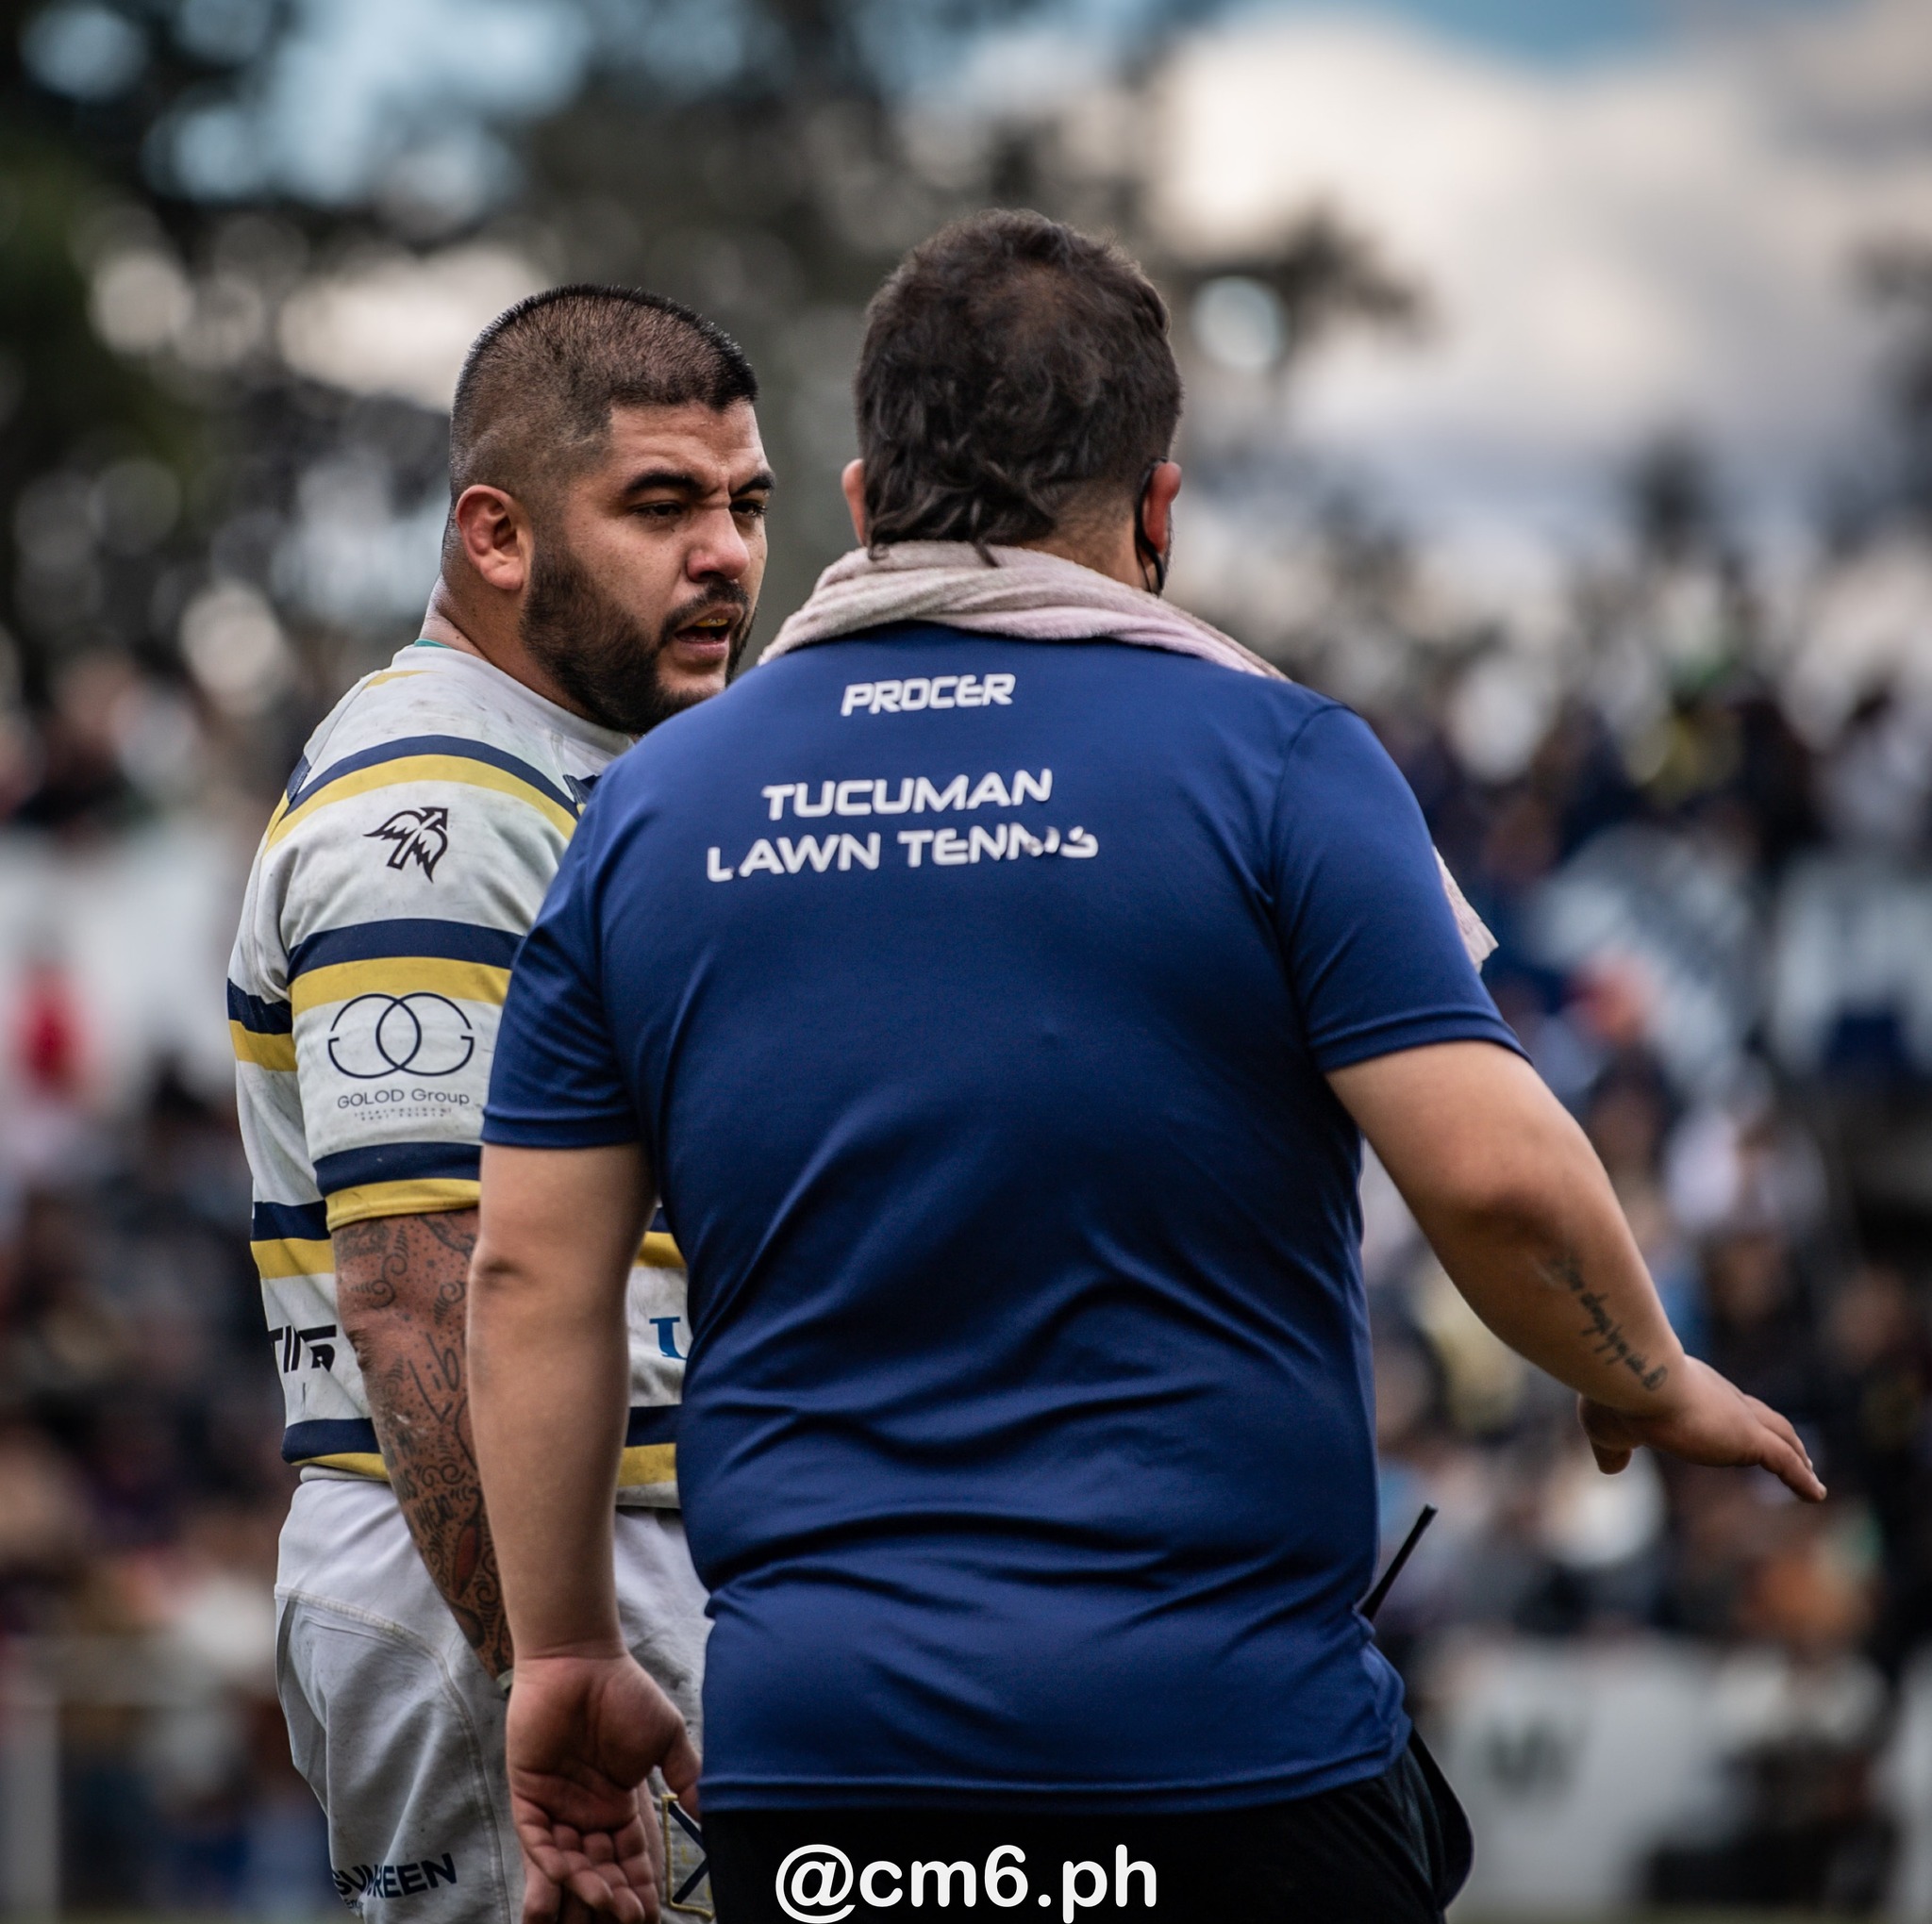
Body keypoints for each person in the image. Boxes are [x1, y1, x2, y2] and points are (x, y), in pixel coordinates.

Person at [467, 213, 1824, 1924]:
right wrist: (1644, 1376)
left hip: (828, 1770)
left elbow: (525, 1277)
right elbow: (1488, 1175)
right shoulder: (1282, 760)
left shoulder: (648, 817)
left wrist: (571, 1652)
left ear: (865, 501)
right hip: (1229, 1765)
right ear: (1158, 512)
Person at [226, 284, 772, 1924]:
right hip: (516, 1583)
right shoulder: (443, 806)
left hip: (571, 1576)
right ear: (497, 534)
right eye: (662, 505)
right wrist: (556, 1664)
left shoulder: (572, 775)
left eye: (747, 503)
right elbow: (430, 1303)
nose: (728, 554)